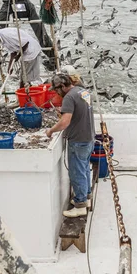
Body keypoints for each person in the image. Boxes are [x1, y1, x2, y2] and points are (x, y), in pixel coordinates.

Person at [45, 74, 95, 217]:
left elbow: (65, 122)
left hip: (78, 140)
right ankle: (87, 197)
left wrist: (51, 130)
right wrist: (65, 109)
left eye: (56, 90)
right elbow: (81, 110)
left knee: (76, 172)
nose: (56, 93)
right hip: (89, 138)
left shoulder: (69, 97)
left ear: (62, 86)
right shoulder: (82, 91)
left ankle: (80, 205)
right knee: (84, 168)